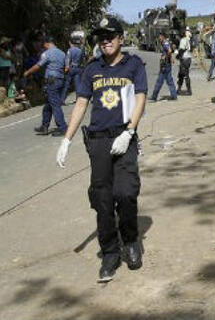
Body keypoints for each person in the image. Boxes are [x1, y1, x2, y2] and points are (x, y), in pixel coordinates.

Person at [55, 15, 147, 282]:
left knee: (126, 192)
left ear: (121, 38)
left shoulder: (134, 65)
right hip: (98, 140)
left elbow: (140, 98)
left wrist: (130, 130)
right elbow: (81, 104)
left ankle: (130, 241)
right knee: (102, 198)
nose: (105, 41)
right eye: (101, 37)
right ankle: (109, 252)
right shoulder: (91, 69)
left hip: (124, 137)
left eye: (110, 36)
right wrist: (67, 139)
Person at [24, 36, 67, 136]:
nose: (43, 47)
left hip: (52, 81)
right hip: (60, 79)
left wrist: (27, 72)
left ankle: (63, 127)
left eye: (44, 45)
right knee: (48, 104)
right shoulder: (62, 53)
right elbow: (66, 67)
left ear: (47, 44)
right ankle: (44, 126)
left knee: (55, 104)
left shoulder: (47, 53)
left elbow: (38, 66)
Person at [150, 32, 177, 101]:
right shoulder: (165, 43)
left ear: (162, 37)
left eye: (160, 37)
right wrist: (171, 58)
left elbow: (169, 51)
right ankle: (174, 96)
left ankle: (154, 97)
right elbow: (169, 52)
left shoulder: (165, 43)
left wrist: (165, 57)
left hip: (165, 65)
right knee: (169, 80)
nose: (159, 38)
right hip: (167, 64)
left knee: (159, 81)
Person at [61, 35, 85, 104]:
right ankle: (78, 99)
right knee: (78, 84)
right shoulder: (80, 51)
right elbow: (82, 60)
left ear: (71, 43)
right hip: (78, 68)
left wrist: (66, 67)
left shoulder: (70, 50)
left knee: (67, 84)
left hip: (71, 68)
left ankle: (62, 99)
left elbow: (68, 59)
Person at [176, 28, 192, 96]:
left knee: (184, 75)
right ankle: (179, 89)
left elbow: (182, 49)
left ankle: (189, 90)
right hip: (188, 59)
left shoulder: (183, 40)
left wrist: (177, 56)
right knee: (181, 74)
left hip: (184, 59)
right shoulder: (187, 39)